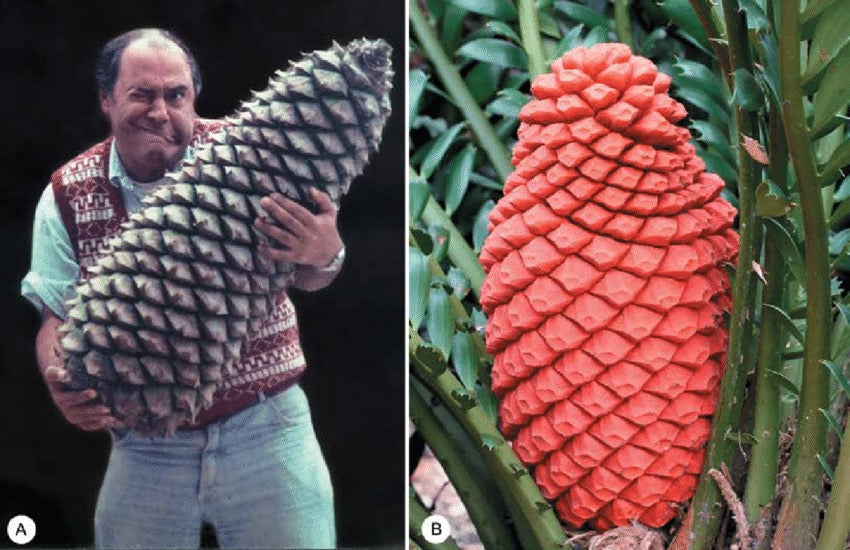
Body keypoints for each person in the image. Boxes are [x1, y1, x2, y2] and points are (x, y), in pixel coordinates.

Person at [20, 28, 343, 549]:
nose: (161, 112)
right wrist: (62, 383)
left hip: (265, 426)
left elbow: (311, 273)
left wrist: (325, 252)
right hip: (145, 443)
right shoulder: (67, 195)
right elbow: (54, 316)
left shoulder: (251, 157)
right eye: (142, 94)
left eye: (177, 95)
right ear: (106, 100)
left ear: (194, 98)